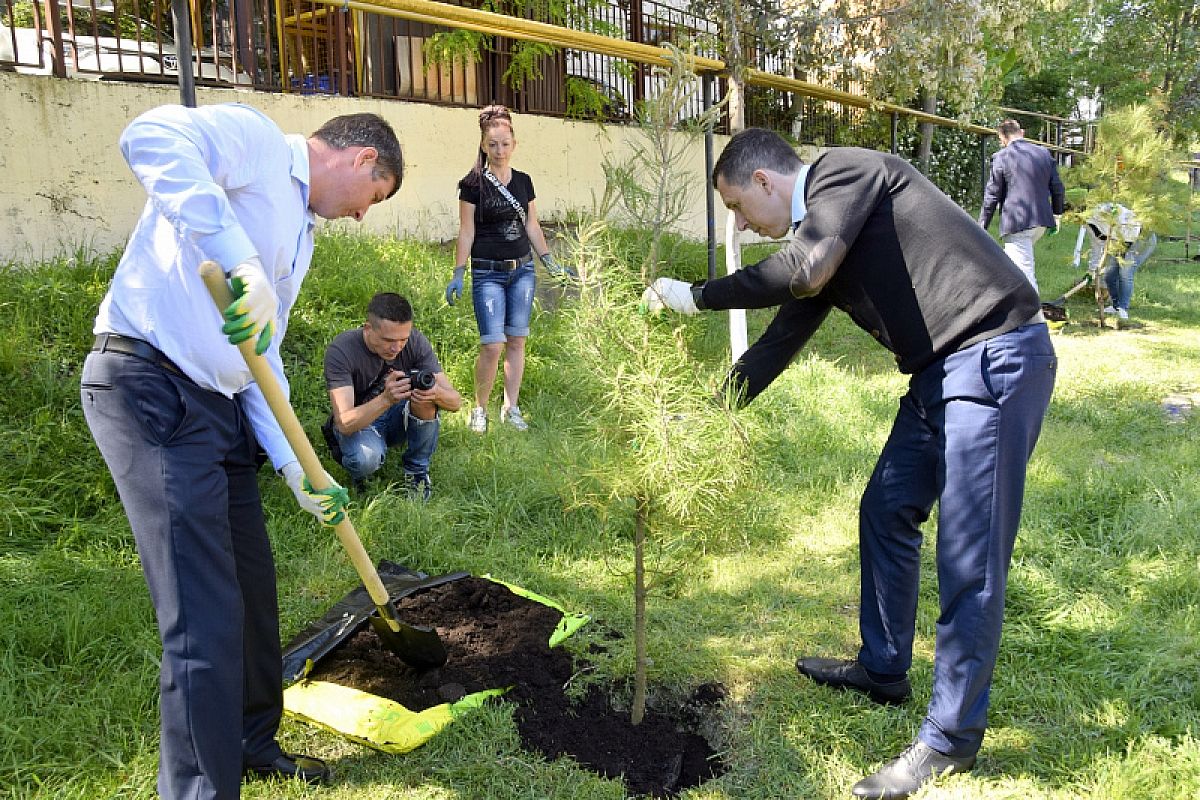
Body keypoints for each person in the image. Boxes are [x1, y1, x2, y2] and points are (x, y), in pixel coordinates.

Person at [642, 128, 1057, 799]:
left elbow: (798, 274)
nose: (744, 227)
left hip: (996, 356)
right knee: (886, 508)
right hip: (939, 376)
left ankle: (949, 741)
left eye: (741, 211)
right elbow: (779, 339)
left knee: (970, 556)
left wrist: (698, 295)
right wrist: (707, 419)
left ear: (766, 182)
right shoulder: (826, 240)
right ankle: (884, 668)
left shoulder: (848, 173)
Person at [80, 103, 403, 799]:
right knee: (202, 614)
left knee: (254, 591)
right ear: (362, 161)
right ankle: (200, 789)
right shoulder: (259, 146)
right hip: (149, 385)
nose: (361, 217)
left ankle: (254, 740)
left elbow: (261, 361)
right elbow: (149, 135)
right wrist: (241, 260)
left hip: (218, 407)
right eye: (372, 200)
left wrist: (296, 468)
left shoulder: (303, 231)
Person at [444, 103, 573, 433]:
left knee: (517, 341)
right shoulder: (472, 184)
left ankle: (510, 408)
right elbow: (467, 230)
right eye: (492, 144)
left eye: (505, 143)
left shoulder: (524, 182)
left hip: (523, 271)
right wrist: (459, 272)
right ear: (483, 145)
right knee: (492, 344)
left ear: (514, 144)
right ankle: (480, 410)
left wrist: (551, 263)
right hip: (487, 272)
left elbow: (532, 225)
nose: (499, 151)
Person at [323, 292, 462, 499]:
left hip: (397, 415)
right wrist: (386, 399)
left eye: (403, 339)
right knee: (364, 460)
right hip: (362, 422)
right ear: (368, 329)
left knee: (426, 397)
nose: (396, 347)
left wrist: (435, 393)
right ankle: (359, 471)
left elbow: (455, 401)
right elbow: (344, 422)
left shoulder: (415, 342)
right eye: (388, 340)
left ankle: (417, 472)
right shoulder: (342, 350)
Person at [978, 119, 1066, 292]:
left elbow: (992, 195)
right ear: (1022, 133)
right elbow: (1058, 188)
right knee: (1012, 266)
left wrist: (981, 227)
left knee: (1023, 273)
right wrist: (1057, 215)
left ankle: (1033, 315)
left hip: (1018, 222)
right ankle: (1012, 307)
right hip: (1041, 221)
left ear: (1002, 137)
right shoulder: (1043, 153)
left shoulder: (1001, 157)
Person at [1086, 202, 1158, 320]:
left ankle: (1123, 308)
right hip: (1120, 242)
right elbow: (1097, 248)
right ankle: (1115, 306)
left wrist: (1115, 219)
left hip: (1141, 238)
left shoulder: (1104, 210)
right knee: (1109, 275)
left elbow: (1120, 211)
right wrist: (1092, 271)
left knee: (1125, 272)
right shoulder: (1089, 225)